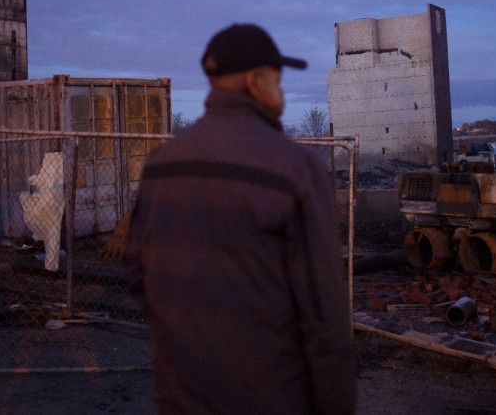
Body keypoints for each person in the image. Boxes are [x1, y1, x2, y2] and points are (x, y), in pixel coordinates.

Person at [125, 23, 356, 415]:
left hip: (181, 396)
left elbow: (137, 276)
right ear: (253, 81)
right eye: (278, 81)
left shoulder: (161, 166)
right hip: (270, 399)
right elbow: (325, 318)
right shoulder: (295, 169)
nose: (281, 94)